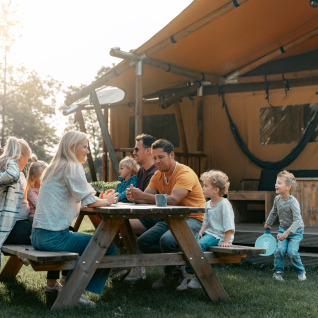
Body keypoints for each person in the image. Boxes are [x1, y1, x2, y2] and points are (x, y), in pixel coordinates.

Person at [31, 130, 118, 307]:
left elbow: (84, 196)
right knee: (106, 246)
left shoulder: (54, 167)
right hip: (53, 237)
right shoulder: (72, 166)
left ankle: (68, 286)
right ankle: (75, 292)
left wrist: (98, 199)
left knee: (90, 245)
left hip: (37, 236)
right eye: (84, 147)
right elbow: (88, 200)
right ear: (72, 147)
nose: (87, 151)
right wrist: (107, 201)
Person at [126, 139, 206, 289]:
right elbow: (147, 197)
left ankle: (176, 273)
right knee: (144, 242)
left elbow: (174, 200)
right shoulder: (158, 175)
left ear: (171, 155)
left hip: (194, 218)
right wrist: (135, 197)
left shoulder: (185, 173)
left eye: (161, 157)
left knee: (167, 241)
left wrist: (143, 196)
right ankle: (179, 268)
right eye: (154, 158)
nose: (157, 161)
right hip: (170, 219)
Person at [177, 170, 235, 290]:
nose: (203, 188)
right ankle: (189, 275)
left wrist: (226, 241)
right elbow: (206, 221)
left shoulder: (224, 204)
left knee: (199, 246)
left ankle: (198, 276)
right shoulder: (208, 204)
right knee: (189, 244)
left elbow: (229, 225)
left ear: (216, 189)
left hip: (219, 235)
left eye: (206, 186)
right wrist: (201, 231)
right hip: (209, 233)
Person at [119, 133, 157, 283]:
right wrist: (131, 195)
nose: (133, 152)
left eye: (136, 149)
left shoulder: (155, 171)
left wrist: (137, 197)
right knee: (115, 223)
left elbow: (148, 200)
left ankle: (134, 266)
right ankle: (126, 264)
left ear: (148, 151)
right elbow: (140, 197)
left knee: (121, 224)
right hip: (142, 214)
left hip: (154, 217)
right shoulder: (141, 171)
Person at [264, 170, 306, 282]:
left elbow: (298, 220)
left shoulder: (293, 202)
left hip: (296, 231)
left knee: (292, 252)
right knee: (280, 250)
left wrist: (287, 233)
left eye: (279, 183)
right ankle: (278, 273)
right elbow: (273, 212)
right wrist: (268, 223)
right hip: (283, 229)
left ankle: (301, 272)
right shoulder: (277, 199)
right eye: (276, 182)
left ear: (288, 187)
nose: (275, 185)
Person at [1, 137, 32, 252]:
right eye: (27, 158)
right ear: (21, 156)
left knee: (64, 230)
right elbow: (12, 176)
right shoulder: (5, 175)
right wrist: (12, 159)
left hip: (21, 223)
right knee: (51, 235)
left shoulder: (20, 175)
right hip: (10, 228)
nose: (27, 162)